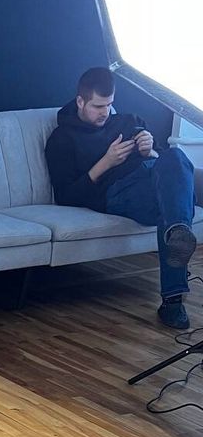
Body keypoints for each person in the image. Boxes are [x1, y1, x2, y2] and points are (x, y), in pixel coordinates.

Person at [45, 67, 197, 329]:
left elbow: (165, 166)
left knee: (176, 157)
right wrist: (106, 162)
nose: (105, 112)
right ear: (80, 101)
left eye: (110, 104)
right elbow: (65, 195)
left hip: (153, 176)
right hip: (117, 191)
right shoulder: (62, 138)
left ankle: (177, 242)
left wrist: (150, 150)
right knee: (173, 204)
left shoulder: (127, 120)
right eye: (98, 106)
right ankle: (174, 275)